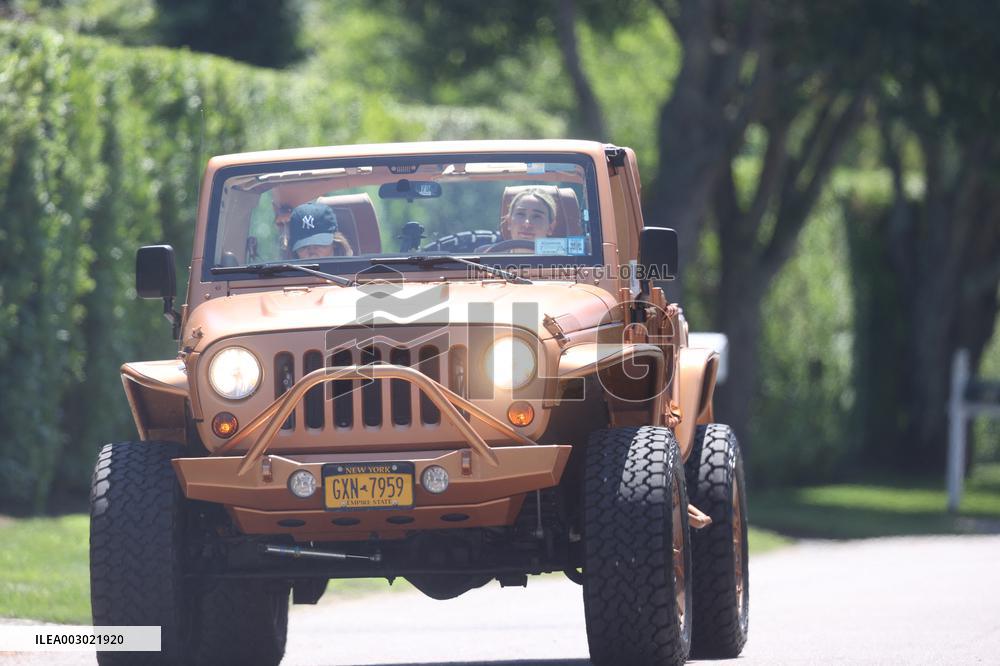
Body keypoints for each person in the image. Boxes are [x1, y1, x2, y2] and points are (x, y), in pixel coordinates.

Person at [287, 202, 354, 259]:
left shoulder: (355, 272)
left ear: (335, 243)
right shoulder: (286, 273)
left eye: (319, 244)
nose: (312, 253)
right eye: (303, 247)